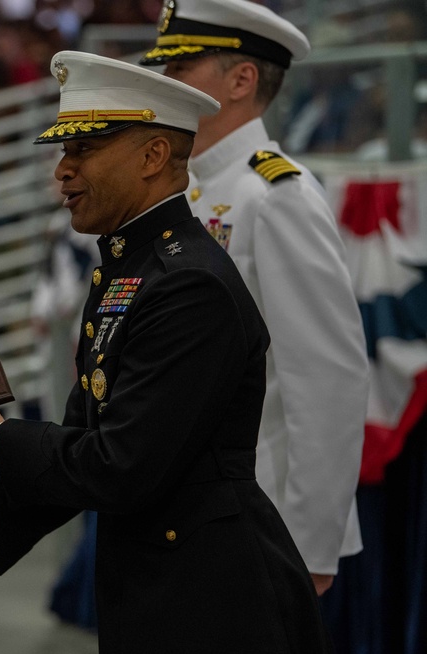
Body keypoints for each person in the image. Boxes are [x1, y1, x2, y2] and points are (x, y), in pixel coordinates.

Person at [0, 51, 331, 654]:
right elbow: (88, 440)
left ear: (152, 157)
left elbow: (121, 465)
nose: (62, 171)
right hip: (161, 588)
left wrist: (0, 435)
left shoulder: (188, 284)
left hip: (218, 606)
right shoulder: (129, 274)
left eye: (82, 151)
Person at [140, 0, 368, 595]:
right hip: (173, 502)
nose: (165, 84)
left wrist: (313, 543)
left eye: (180, 69)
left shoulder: (275, 195)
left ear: (241, 80)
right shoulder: (184, 189)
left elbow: (326, 379)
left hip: (254, 512)